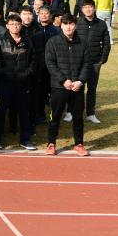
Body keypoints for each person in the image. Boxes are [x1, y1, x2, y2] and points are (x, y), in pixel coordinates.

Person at [45, 14, 90, 156]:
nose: (68, 26)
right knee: (55, 116)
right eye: (65, 24)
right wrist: (63, 80)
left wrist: (80, 81)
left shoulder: (83, 43)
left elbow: (87, 64)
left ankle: (79, 143)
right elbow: (50, 63)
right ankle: (51, 143)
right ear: (61, 25)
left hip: (77, 86)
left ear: (75, 25)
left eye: (71, 24)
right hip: (59, 87)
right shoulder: (53, 42)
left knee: (78, 117)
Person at [0, 14, 37, 151]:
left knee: (24, 112)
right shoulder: (0, 40)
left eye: (17, 24)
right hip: (5, 82)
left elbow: (34, 60)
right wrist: (3, 74)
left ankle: (25, 139)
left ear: (21, 25)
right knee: (1, 111)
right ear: (7, 26)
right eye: (12, 24)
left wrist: (26, 74)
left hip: (23, 83)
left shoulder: (28, 41)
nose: (15, 26)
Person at [75, 0, 110, 125]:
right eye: (85, 7)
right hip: (78, 61)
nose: (88, 9)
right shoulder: (77, 22)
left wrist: (102, 59)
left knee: (92, 88)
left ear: (94, 9)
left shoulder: (101, 24)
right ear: (82, 9)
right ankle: (73, 112)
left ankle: (91, 113)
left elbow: (106, 43)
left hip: (95, 61)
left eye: (90, 7)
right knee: (77, 88)